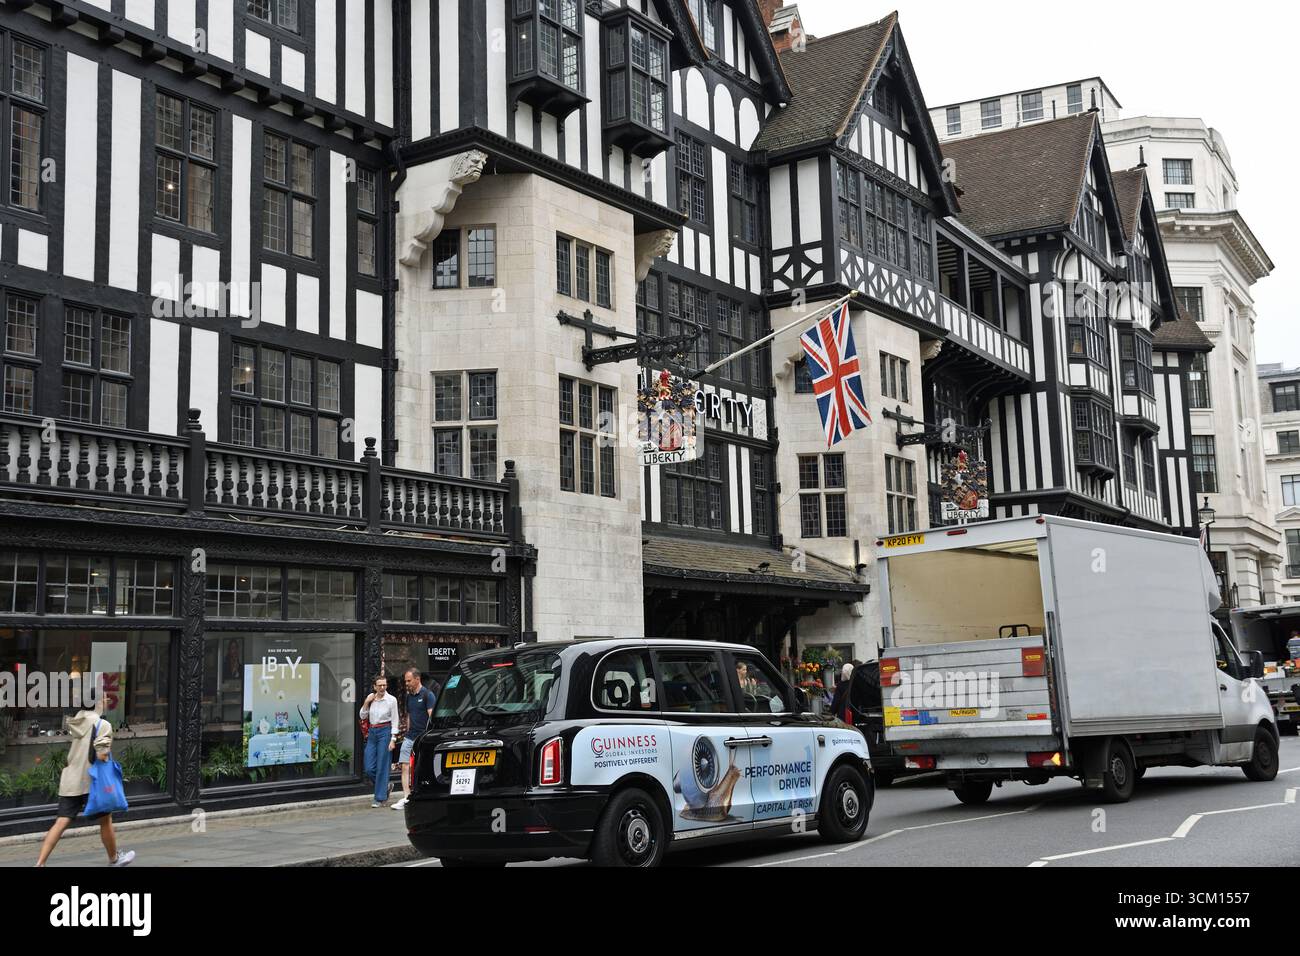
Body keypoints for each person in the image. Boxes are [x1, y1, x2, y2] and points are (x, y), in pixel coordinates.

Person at [35, 700, 135, 867]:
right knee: (105, 820)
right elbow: (102, 755)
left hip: (70, 779)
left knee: (61, 821)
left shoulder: (77, 721)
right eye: (103, 698)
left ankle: (40, 863)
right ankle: (114, 859)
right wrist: (107, 749)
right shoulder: (102, 724)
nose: (106, 701)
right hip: (91, 782)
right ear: (95, 702)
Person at [392, 669, 436, 811]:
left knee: (419, 766)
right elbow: (409, 715)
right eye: (405, 681)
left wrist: (429, 735)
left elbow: (431, 716)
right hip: (410, 736)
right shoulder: (408, 697)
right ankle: (406, 797)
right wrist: (407, 731)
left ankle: (421, 794)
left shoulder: (428, 695)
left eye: (409, 681)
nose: (406, 684)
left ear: (417, 679)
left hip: (423, 737)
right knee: (404, 765)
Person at [359, 676, 399, 808]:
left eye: (384, 685)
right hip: (372, 732)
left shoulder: (391, 700)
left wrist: (393, 739)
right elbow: (362, 716)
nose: (382, 688)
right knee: (369, 768)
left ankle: (379, 798)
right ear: (374, 687)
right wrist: (366, 702)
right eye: (379, 685)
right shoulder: (371, 699)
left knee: (382, 765)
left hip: (385, 731)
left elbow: (395, 720)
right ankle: (385, 786)